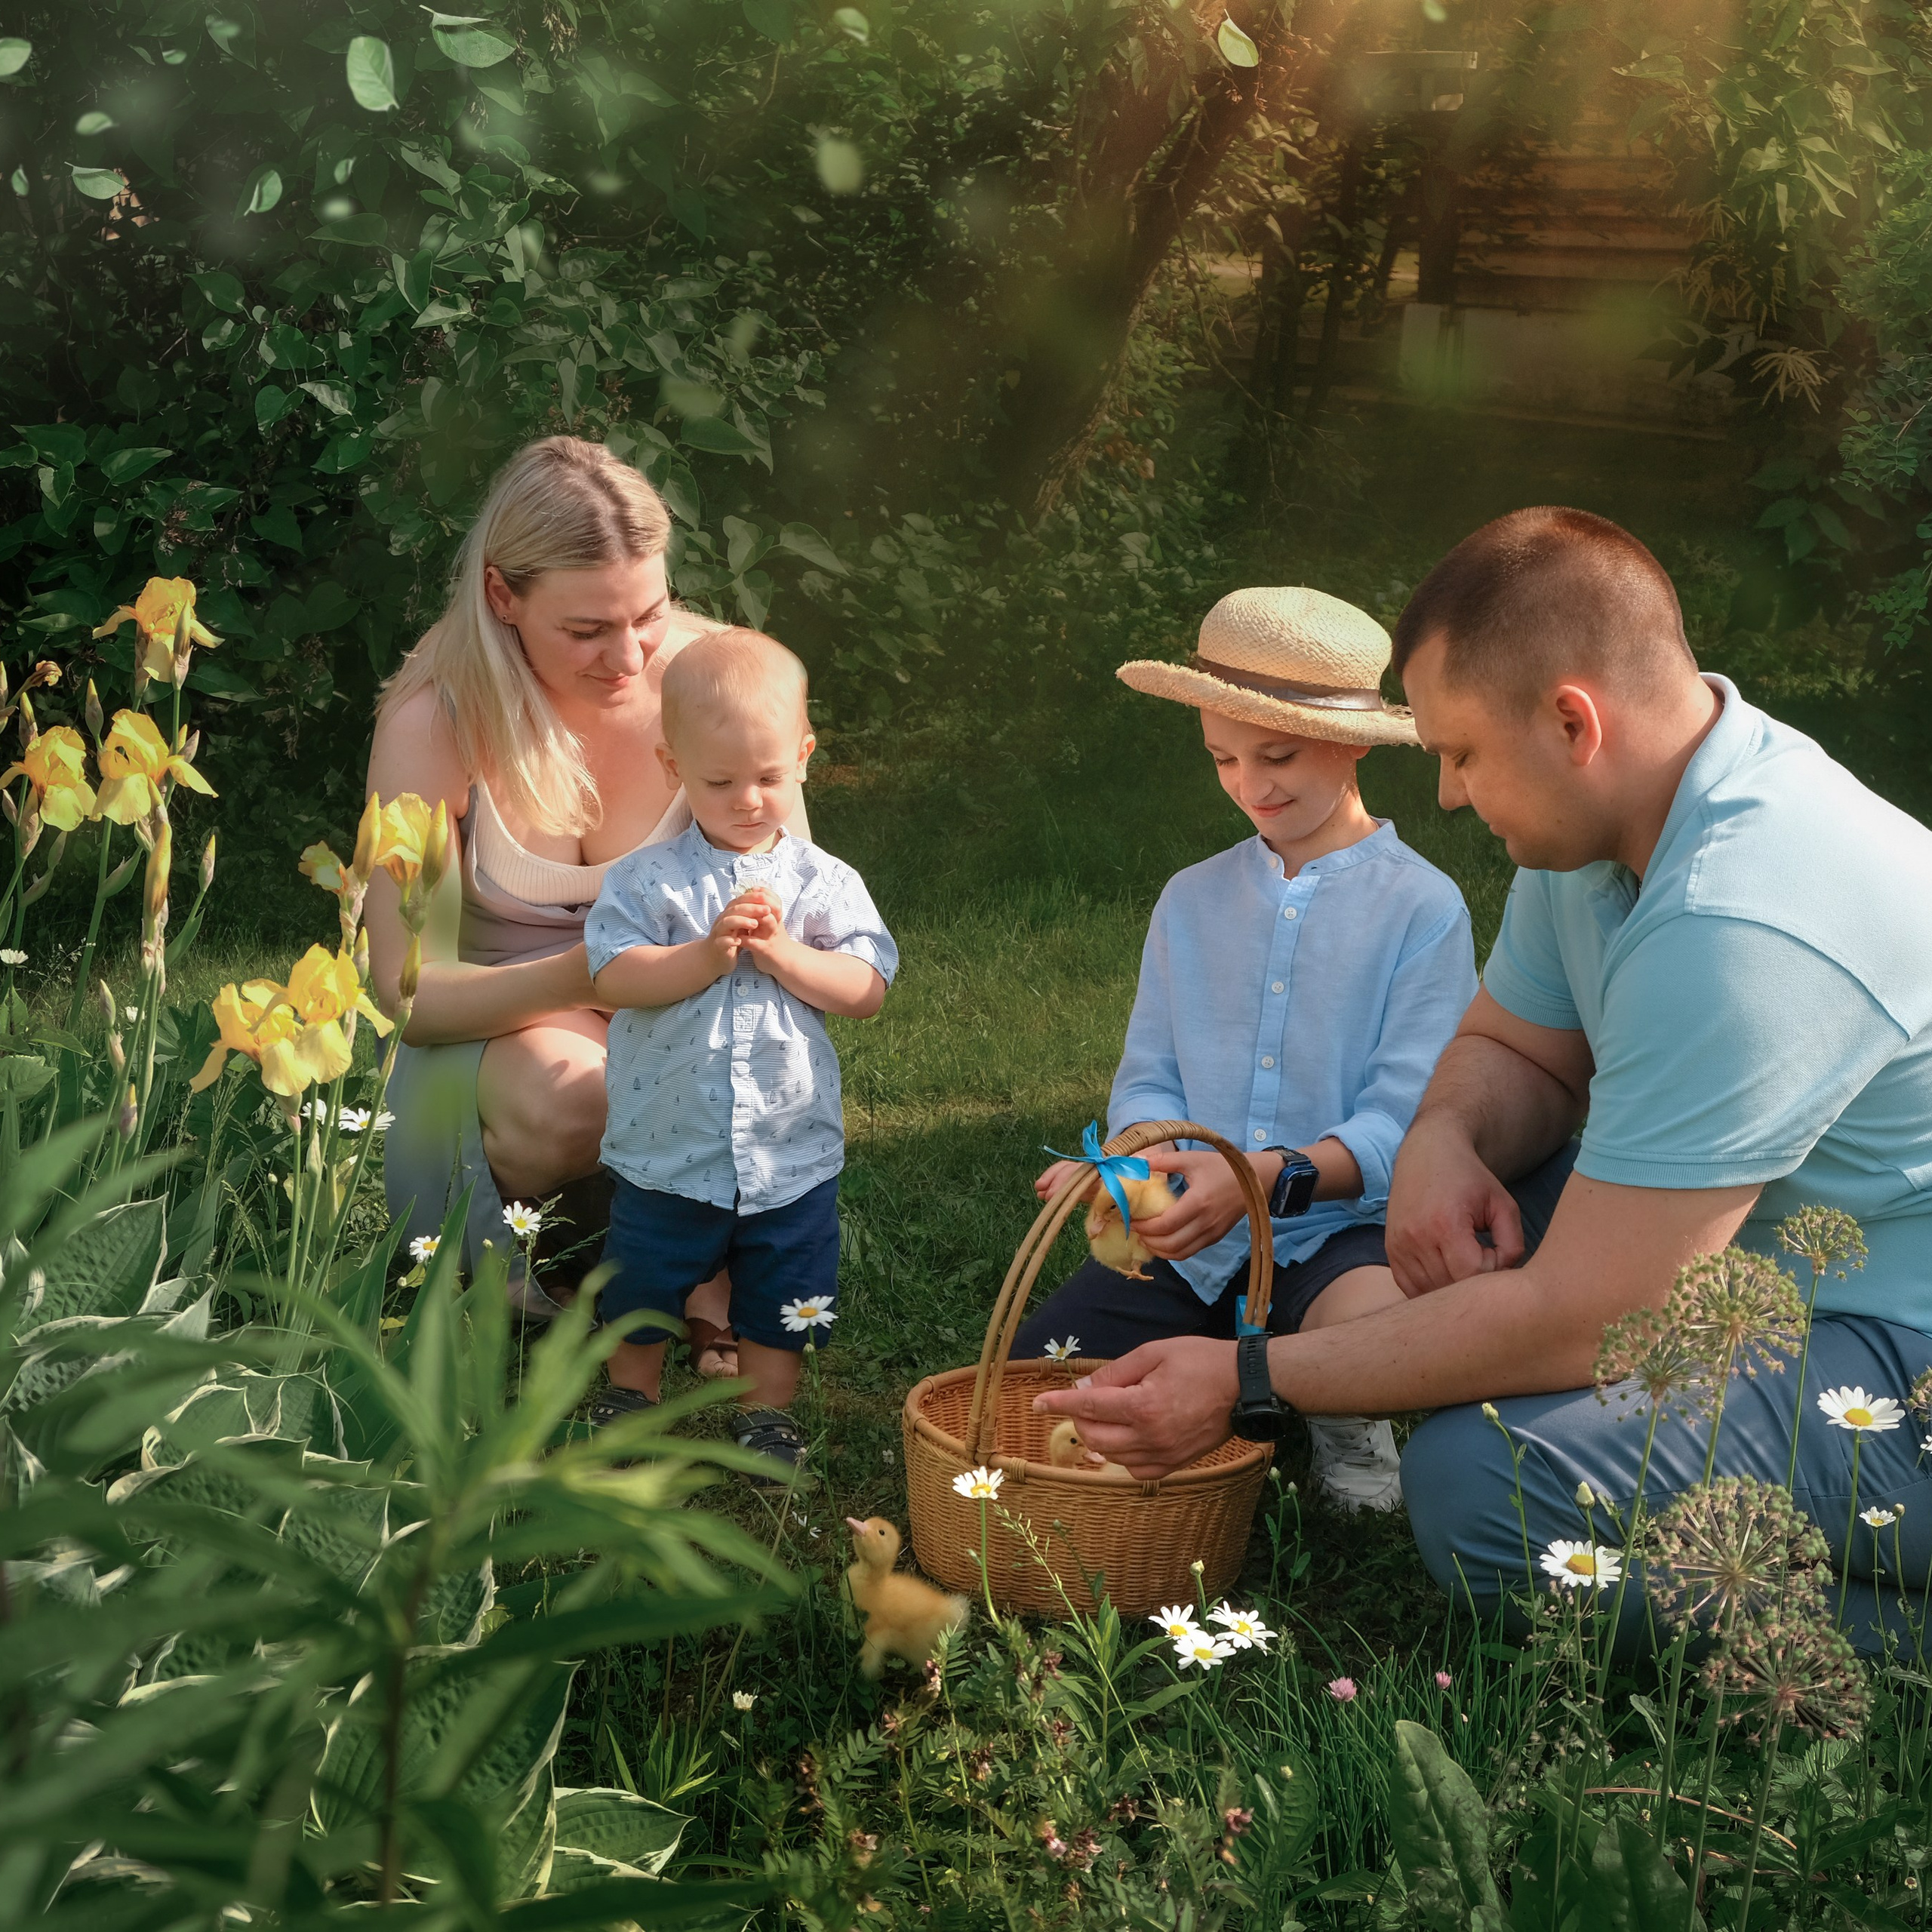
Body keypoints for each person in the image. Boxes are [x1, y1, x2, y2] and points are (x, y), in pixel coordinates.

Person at [1034, 506, 1932, 1651]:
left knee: (1482, 1491)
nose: (1449, 792)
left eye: (1460, 753)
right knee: (1468, 1336)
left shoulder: (1741, 917)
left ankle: (1880, 1642)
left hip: (1892, 1354)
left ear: (1572, 723)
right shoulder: (1604, 824)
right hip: (1753, 1265)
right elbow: (1513, 1049)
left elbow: (1600, 1318)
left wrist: (1248, 1375)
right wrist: (1439, 1145)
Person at [1014, 586, 1476, 1512]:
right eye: (1221, 757)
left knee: (1388, 1326)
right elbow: (1151, 1070)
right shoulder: (1189, 899)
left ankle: (1336, 1402)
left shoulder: (1423, 909)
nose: (1248, 784)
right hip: (1192, 1242)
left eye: (1276, 754)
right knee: (1040, 1380)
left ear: (1354, 743)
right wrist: (1132, 1170)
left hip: (1335, 1238)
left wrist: (1263, 1179)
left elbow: (1408, 1122)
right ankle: (1239, 1378)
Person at [369, 435, 806, 1370]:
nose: (628, 654)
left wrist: (679, 979)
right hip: (492, 1011)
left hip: (689, 988)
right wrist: (595, 974)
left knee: (686, 1074)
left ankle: (661, 1268)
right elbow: (406, 992)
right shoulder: (435, 722)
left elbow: (796, 896)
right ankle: (617, 1261)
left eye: (647, 613)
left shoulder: (714, 679)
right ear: (502, 597)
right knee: (581, 1100)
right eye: (586, 630)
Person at [583, 627, 897, 1468]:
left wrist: (785, 953)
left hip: (788, 1149)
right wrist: (706, 954)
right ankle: (631, 1393)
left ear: (803, 754)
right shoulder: (647, 881)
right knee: (644, 1274)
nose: (749, 798)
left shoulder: (824, 880)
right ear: (672, 764)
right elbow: (614, 975)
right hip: (669, 1143)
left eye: (768, 776)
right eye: (720, 780)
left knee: (784, 1285)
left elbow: (866, 986)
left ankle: (768, 1413)